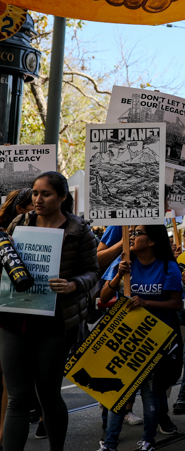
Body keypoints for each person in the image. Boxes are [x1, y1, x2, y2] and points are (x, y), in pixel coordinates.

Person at [0, 171, 98, 451]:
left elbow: (93, 272)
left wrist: (73, 285)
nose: (38, 199)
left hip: (54, 325)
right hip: (14, 320)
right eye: (34, 193)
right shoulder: (20, 222)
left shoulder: (80, 230)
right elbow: (5, 257)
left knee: (48, 395)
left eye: (46, 194)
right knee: (17, 398)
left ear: (62, 197)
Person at [98, 225, 184, 451]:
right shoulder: (125, 263)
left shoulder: (168, 266)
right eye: (132, 233)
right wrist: (118, 275)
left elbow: (176, 303)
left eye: (137, 234)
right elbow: (103, 297)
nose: (132, 237)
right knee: (119, 392)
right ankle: (110, 443)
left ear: (152, 241)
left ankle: (148, 441)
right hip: (125, 337)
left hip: (153, 338)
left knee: (150, 392)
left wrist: (146, 303)